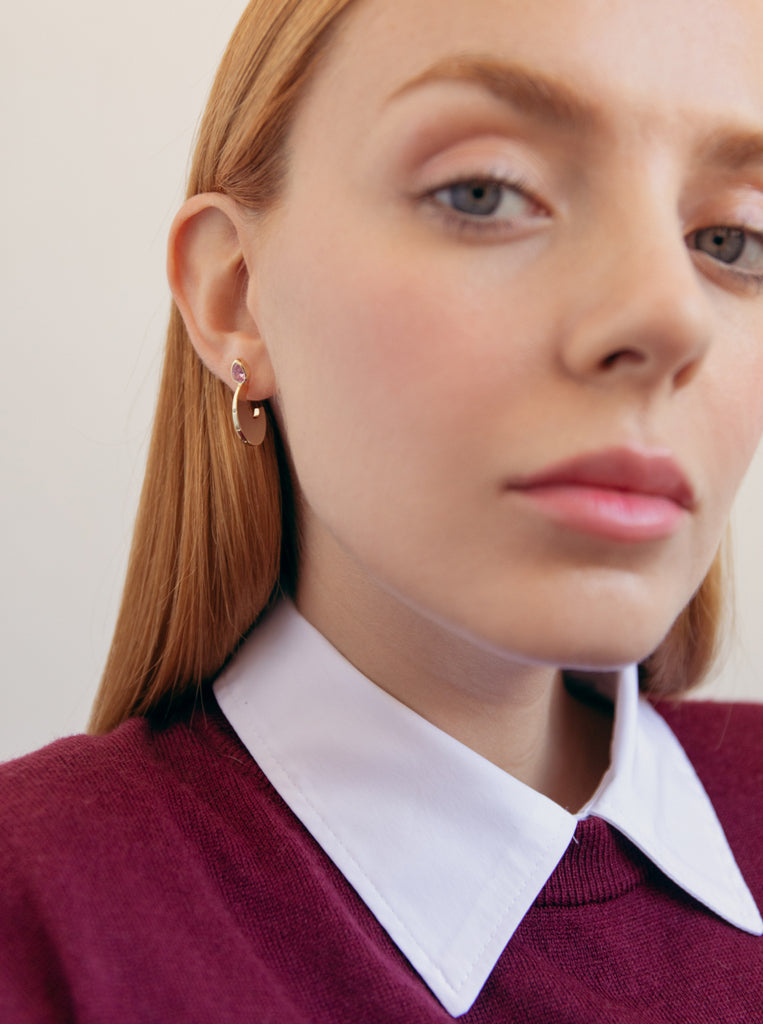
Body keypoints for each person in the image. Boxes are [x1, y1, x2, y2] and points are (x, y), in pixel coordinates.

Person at [2, 0, 763, 1019]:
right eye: (484, 192)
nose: (669, 317)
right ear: (234, 295)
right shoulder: (36, 915)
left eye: (732, 238)